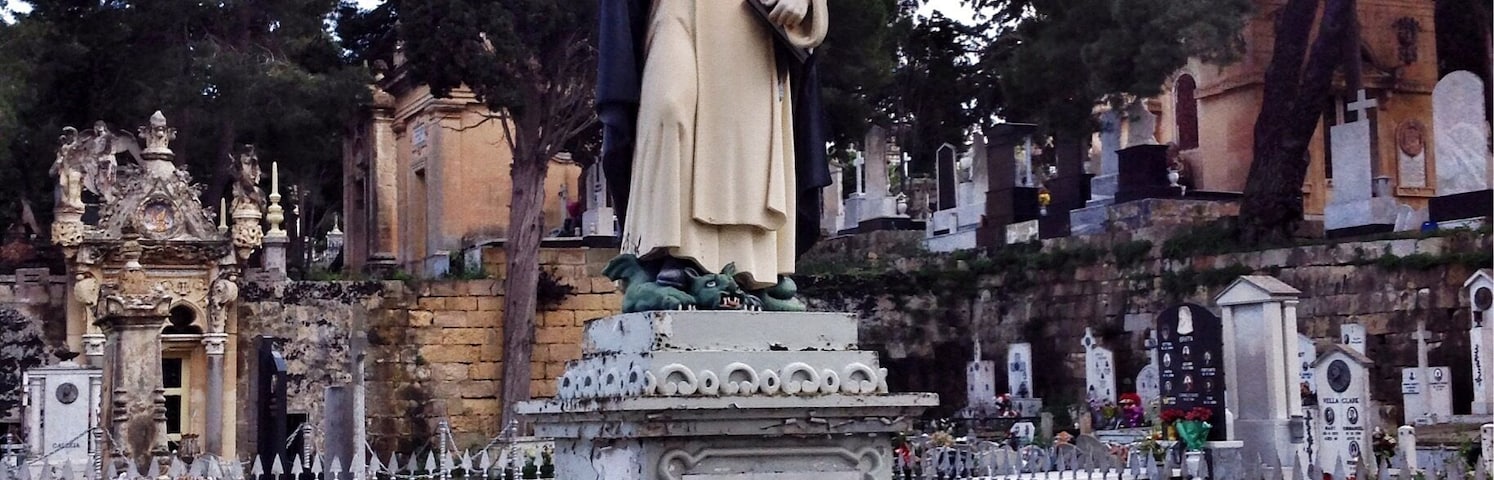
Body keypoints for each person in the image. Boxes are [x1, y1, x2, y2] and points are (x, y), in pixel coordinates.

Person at [598, 0, 831, 294]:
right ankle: (667, 246)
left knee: (743, 138)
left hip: (747, 15)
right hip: (671, 9)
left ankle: (746, 264)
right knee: (669, 107)